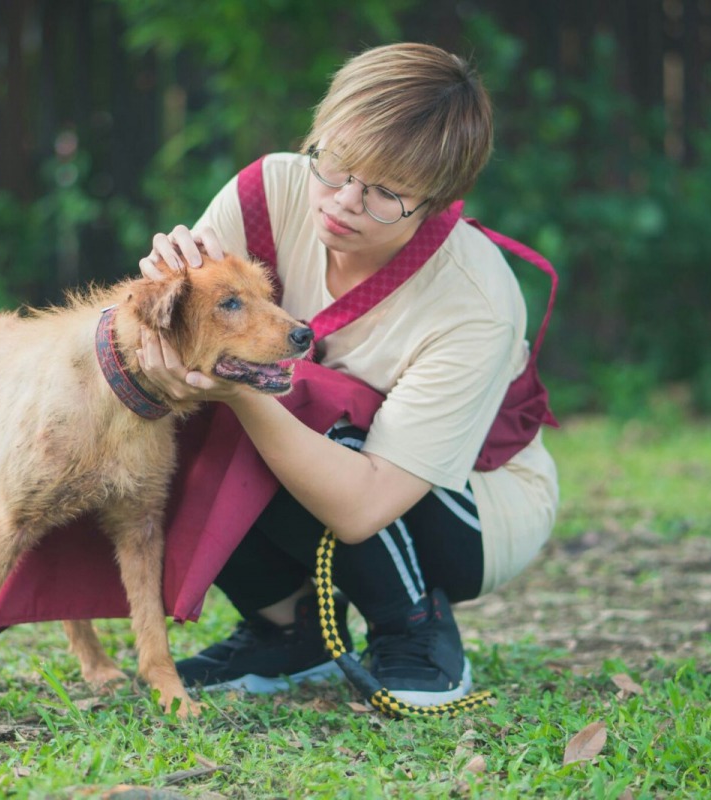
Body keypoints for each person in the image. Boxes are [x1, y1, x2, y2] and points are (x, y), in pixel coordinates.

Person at [135, 42, 558, 707]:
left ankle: (414, 629)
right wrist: (163, 290)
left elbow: (365, 505)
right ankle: (286, 630)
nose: (344, 202)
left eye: (387, 192)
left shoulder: (476, 298)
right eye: (335, 164)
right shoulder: (268, 192)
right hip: (330, 459)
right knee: (180, 401)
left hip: (471, 505)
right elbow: (174, 347)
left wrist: (246, 393)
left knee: (312, 408)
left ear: (438, 200)